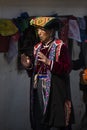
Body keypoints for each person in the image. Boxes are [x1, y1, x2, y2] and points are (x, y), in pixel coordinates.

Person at [21, 17, 73, 130]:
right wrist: (28, 66)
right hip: (39, 88)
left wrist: (49, 62)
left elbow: (67, 68)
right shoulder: (37, 48)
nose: (38, 33)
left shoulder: (60, 46)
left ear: (50, 31)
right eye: (37, 30)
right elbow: (34, 72)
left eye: (41, 30)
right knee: (40, 119)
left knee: (56, 121)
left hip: (55, 90)